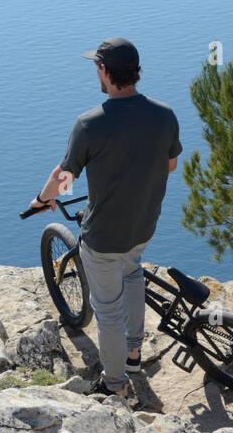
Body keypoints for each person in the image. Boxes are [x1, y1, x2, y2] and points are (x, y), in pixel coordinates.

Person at [32, 37, 182, 400]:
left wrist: (41, 200)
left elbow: (64, 179)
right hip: (143, 224)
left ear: (104, 71)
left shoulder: (91, 124)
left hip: (103, 236)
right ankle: (133, 353)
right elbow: (170, 165)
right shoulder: (164, 114)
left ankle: (115, 385)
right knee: (131, 273)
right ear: (135, 72)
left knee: (108, 311)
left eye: (96, 67)